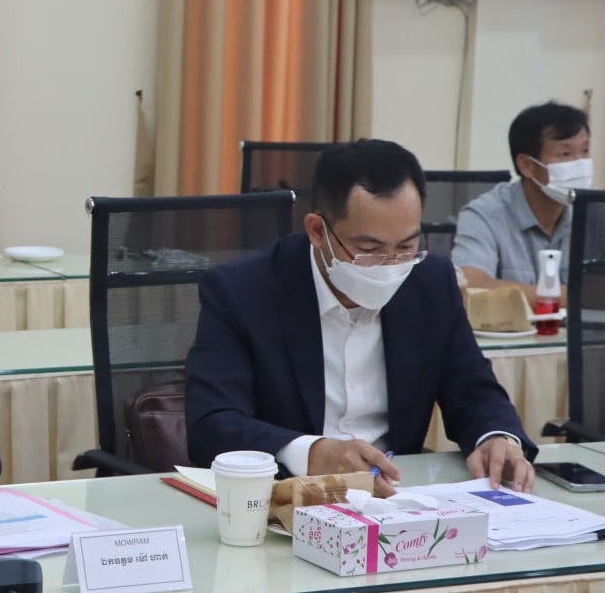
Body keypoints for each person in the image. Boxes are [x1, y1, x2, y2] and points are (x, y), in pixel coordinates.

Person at [186, 139, 537, 496]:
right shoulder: (242, 291)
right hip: (286, 499)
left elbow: (474, 390)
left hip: (397, 499)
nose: (390, 266)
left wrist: (495, 436)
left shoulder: (430, 283)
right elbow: (212, 425)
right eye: (369, 250)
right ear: (317, 231)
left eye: (406, 246)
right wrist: (314, 453)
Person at [452, 101, 605, 307]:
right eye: (565, 154)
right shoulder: (484, 216)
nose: (579, 164)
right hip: (517, 329)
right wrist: (576, 295)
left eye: (585, 151)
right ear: (527, 165)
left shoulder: (593, 212)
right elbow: (471, 288)